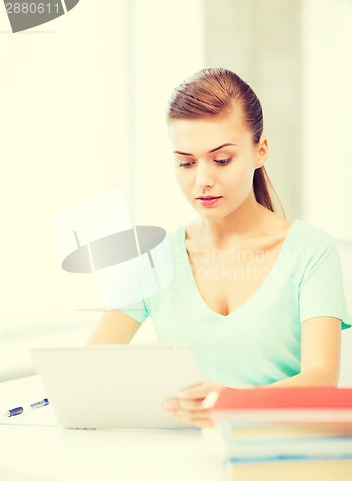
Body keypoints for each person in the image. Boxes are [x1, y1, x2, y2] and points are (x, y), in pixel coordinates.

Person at [89, 68, 351, 427]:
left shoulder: (310, 251)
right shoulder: (153, 257)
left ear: (260, 151)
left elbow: (321, 381)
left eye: (222, 160)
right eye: (185, 162)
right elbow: (89, 369)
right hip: (179, 456)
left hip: (275, 453)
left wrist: (231, 403)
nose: (202, 181)